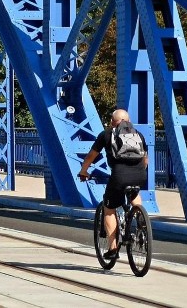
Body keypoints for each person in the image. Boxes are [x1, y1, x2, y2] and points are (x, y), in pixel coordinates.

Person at [78, 108, 148, 260]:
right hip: (140, 174)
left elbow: (91, 156)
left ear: (112, 122)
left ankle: (113, 248)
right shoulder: (138, 135)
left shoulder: (107, 134)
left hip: (119, 176)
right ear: (129, 121)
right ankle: (141, 219)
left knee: (109, 208)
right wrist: (139, 171)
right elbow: (145, 158)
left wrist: (84, 170)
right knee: (134, 193)